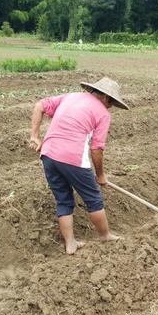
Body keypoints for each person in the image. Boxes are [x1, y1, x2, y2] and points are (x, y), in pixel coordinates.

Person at [29, 77, 129, 255]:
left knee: (63, 199)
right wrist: (100, 175)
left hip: (48, 154)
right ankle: (105, 235)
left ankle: (70, 243)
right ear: (106, 98)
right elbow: (97, 149)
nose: (110, 106)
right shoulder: (103, 114)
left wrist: (35, 137)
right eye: (112, 102)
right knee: (93, 198)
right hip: (73, 157)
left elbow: (40, 106)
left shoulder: (71, 96)